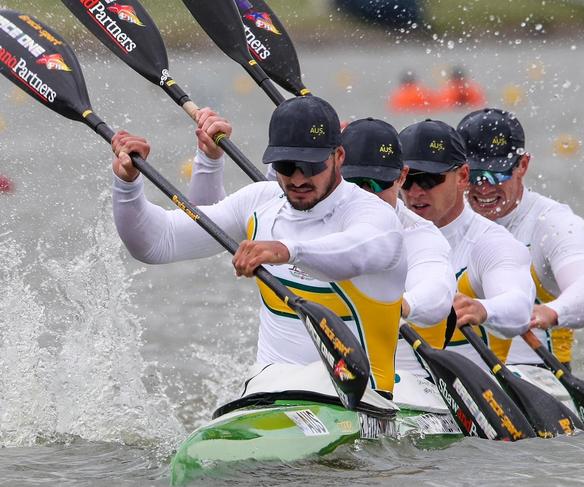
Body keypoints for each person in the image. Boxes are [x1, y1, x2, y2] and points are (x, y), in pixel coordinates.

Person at [111, 96, 407, 397]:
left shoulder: (373, 214)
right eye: (286, 165)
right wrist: (128, 184)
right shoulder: (259, 203)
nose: (298, 178)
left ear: (339, 156)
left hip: (362, 400)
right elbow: (155, 243)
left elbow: (354, 253)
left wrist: (286, 250)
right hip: (268, 392)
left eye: (312, 164)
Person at [458, 108, 584, 369]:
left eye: (497, 174)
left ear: (523, 165)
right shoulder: (445, 217)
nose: (483, 186)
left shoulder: (554, 223)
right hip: (462, 378)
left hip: (540, 379)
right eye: (474, 175)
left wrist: (551, 312)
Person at [396, 119, 535, 373]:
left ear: (462, 177)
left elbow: (519, 306)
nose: (415, 192)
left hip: (466, 395)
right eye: (405, 180)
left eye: (428, 180)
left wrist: (483, 308)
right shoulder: (380, 233)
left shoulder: (490, 242)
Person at [340, 117, 456, 330]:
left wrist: (402, 306)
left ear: (401, 177)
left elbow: (436, 290)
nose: (367, 194)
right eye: (354, 182)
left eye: (379, 182)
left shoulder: (420, 235)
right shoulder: (310, 218)